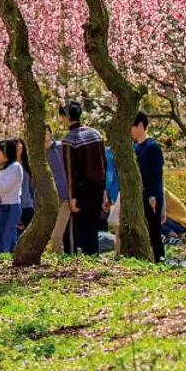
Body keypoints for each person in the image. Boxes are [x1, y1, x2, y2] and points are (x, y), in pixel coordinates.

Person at [59, 101, 107, 256]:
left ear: (66, 117)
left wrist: (72, 196)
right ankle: (94, 254)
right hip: (98, 185)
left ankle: (87, 256)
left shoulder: (69, 139)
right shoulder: (96, 134)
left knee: (82, 227)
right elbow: (104, 162)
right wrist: (104, 189)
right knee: (93, 225)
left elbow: (71, 171)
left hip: (81, 188)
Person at [133, 112, 166, 262]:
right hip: (140, 195)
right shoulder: (135, 147)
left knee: (154, 231)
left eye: (132, 126)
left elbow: (157, 174)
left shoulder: (152, 147)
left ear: (140, 125)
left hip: (151, 196)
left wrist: (153, 196)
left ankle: (159, 259)